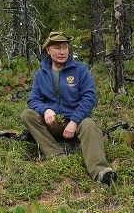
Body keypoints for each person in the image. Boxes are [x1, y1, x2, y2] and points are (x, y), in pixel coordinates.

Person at [20, 31, 117, 185]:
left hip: (76, 123)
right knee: (27, 115)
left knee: (90, 125)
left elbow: (89, 97)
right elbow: (33, 99)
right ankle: (57, 155)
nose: (62, 52)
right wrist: (45, 110)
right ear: (48, 50)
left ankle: (100, 171)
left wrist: (74, 120)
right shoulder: (40, 74)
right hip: (53, 123)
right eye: (57, 47)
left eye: (65, 47)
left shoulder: (80, 70)